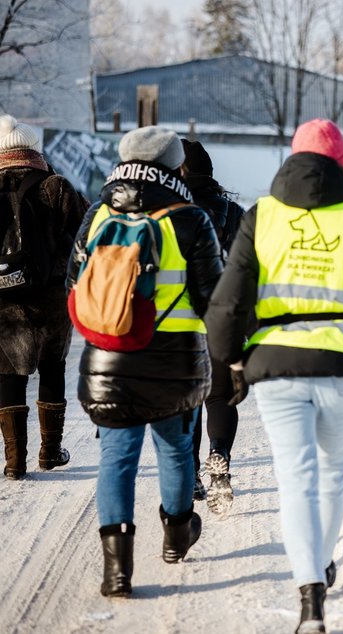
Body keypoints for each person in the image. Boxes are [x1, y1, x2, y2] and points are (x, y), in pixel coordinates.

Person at [204, 118, 343, 633]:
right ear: (341, 164)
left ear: (292, 159)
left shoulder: (262, 216)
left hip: (276, 366)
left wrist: (231, 360)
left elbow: (226, 303)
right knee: (332, 475)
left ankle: (310, 599)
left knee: (295, 480)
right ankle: (322, 562)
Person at [67, 126, 223, 596]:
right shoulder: (191, 218)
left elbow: (75, 281)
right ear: (177, 166)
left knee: (117, 459)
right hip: (175, 359)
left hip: (111, 354)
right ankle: (177, 537)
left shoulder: (98, 212)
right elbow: (212, 297)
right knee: (176, 450)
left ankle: (117, 573)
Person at [0, 115, 85, 480]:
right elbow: (83, 236)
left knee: (8, 373)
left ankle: (14, 461)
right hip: (51, 300)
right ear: (34, 149)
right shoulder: (57, 186)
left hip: (3, 299)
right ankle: (50, 452)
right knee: (52, 368)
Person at [180, 139, 247, 514]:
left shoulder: (169, 211)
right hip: (222, 321)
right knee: (219, 396)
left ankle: (189, 474)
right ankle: (219, 455)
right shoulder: (234, 213)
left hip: (179, 322)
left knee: (188, 401)